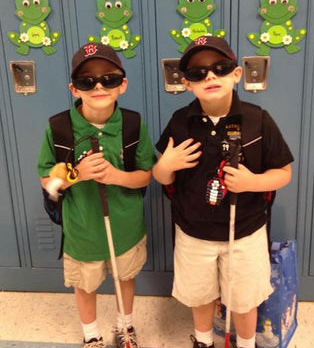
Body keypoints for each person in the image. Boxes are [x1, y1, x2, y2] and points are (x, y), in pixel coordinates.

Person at [153, 36, 293, 348]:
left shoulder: (258, 120)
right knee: (200, 296)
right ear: (187, 84)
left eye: (220, 68)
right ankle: (204, 341)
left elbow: (283, 173)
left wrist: (251, 183)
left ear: (236, 74)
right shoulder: (180, 122)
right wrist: (168, 164)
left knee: (244, 301)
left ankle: (245, 343)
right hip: (193, 232)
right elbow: (161, 176)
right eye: (198, 73)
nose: (210, 77)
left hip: (245, 232)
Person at [38, 43, 156, 348]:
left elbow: (146, 174)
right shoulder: (59, 128)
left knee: (124, 278)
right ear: (74, 89)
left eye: (109, 79)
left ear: (123, 84)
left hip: (125, 228)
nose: (99, 86)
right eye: (87, 81)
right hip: (82, 230)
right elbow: (47, 178)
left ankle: (125, 326)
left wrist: (116, 177)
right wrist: (78, 174)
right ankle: (91, 334)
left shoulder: (133, 124)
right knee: (85, 285)